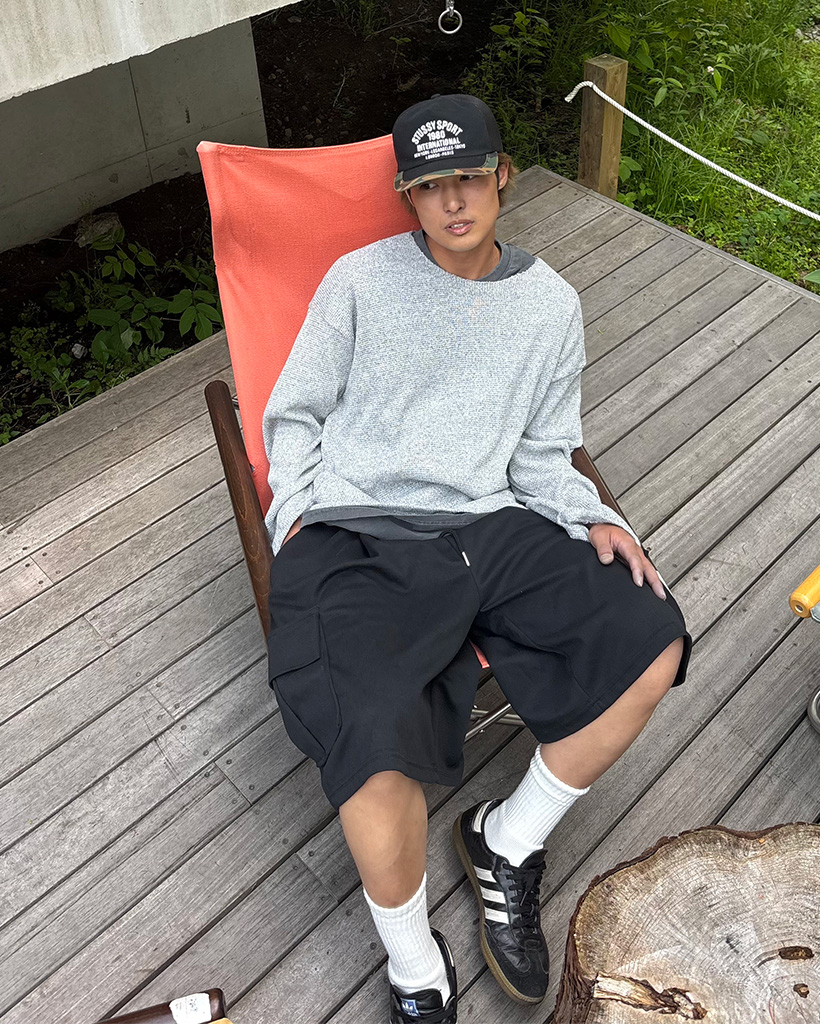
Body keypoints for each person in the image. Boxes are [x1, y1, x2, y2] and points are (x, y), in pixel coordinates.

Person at [261, 93, 692, 1023]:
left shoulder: (549, 305)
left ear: (502, 176)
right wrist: (296, 514)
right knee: (372, 742)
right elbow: (293, 415)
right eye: (429, 186)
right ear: (407, 196)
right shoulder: (360, 281)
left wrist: (592, 515)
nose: (452, 201)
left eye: (468, 177)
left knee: (649, 636)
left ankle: (508, 838)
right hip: (360, 531)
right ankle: (415, 963)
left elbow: (543, 449)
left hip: (491, 523)